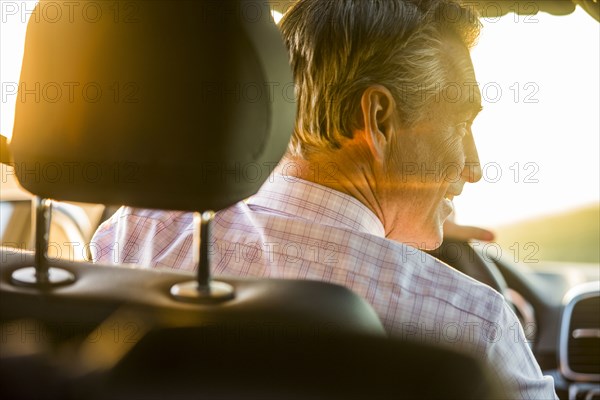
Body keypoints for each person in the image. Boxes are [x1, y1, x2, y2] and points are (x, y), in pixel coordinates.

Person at [91, 0, 557, 398]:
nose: (472, 167)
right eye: (459, 127)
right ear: (377, 119)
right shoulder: (475, 325)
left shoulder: (135, 241)